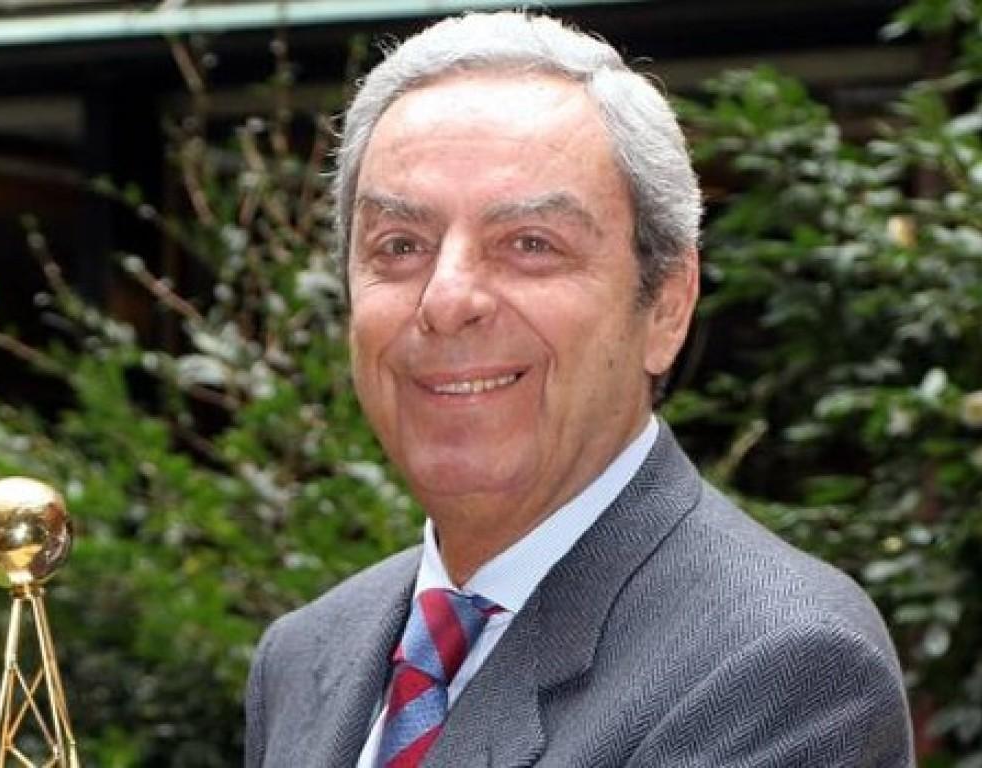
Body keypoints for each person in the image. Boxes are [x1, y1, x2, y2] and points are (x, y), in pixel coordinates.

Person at [245, 11, 913, 767]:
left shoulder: (782, 667)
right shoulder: (303, 657)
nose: (447, 298)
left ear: (666, 306)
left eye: (530, 244)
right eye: (400, 246)